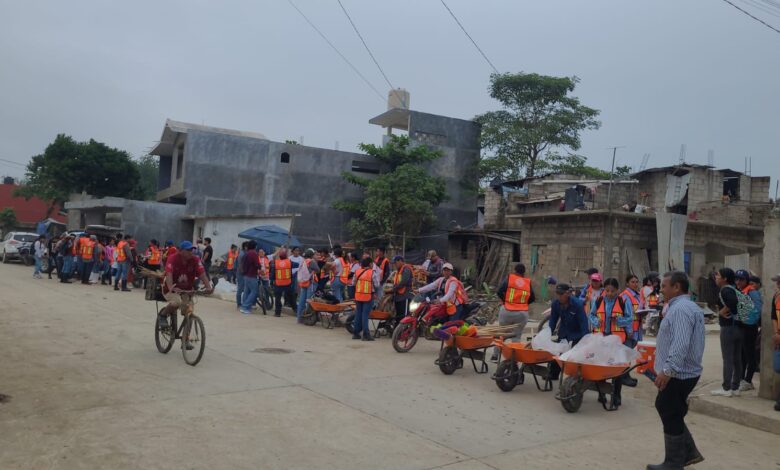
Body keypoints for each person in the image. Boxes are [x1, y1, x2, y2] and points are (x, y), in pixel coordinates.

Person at [647, 271, 705, 469]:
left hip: (679, 373)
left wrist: (667, 371)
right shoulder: (687, 307)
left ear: (677, 287)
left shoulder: (680, 310)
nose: (661, 290)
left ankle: (674, 462)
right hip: (684, 371)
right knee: (672, 410)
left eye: (664, 286)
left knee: (668, 409)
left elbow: (680, 345)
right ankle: (688, 452)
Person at [158, 241, 213, 350]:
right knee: (176, 302)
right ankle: (162, 315)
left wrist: (208, 287)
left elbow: (202, 274)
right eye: (188, 250)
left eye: (191, 250)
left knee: (189, 311)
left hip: (186, 291)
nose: (190, 252)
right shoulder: (173, 258)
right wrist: (171, 287)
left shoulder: (195, 260)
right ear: (180, 251)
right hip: (171, 289)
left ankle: (185, 340)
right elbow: (169, 274)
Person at [589, 277, 633, 405]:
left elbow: (630, 318)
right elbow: (591, 315)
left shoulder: (623, 301)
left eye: (612, 291)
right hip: (601, 339)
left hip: (617, 341)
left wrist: (618, 320)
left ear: (617, 290)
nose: (609, 293)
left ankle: (616, 396)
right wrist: (596, 322)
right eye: (607, 290)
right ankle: (601, 393)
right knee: (600, 367)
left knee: (616, 369)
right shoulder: (598, 300)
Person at [490, 263, 535, 360]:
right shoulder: (527, 282)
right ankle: (513, 358)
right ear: (523, 272)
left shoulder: (510, 278)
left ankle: (495, 355)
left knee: (501, 333)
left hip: (507, 311)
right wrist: (523, 304)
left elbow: (499, 291)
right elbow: (533, 298)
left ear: (515, 270)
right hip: (522, 313)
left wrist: (505, 301)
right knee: (516, 336)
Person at [711, 267, 745, 397]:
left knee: (728, 359)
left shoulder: (725, 290)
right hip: (739, 327)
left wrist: (722, 311)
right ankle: (735, 387)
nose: (716, 277)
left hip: (728, 328)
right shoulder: (736, 289)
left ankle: (726, 388)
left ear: (725, 279)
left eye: (718, 275)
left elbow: (733, 303)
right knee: (737, 359)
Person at [547, 283, 589, 378]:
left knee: (573, 358)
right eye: (557, 294)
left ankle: (575, 377)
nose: (559, 296)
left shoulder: (577, 304)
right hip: (564, 332)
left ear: (568, 293)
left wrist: (585, 340)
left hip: (577, 334)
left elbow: (583, 323)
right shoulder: (555, 304)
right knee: (557, 353)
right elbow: (553, 320)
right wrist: (547, 333)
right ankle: (553, 374)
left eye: (561, 294)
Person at [736, 270, 762, 392]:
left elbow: (757, 310)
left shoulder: (752, 292)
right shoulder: (741, 291)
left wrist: (747, 320)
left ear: (746, 280)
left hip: (749, 328)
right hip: (742, 327)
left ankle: (748, 380)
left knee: (749, 355)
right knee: (742, 355)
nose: (738, 282)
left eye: (741, 279)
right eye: (737, 279)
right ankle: (741, 379)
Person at [352, 256, 381, 341]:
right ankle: (366, 335)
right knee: (365, 315)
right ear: (370, 264)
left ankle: (355, 333)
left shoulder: (357, 271)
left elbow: (353, 283)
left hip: (358, 296)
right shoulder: (372, 273)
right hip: (368, 296)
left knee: (358, 314)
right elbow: (377, 285)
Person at [621, 274, 643, 386]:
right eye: (632, 282)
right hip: (629, 331)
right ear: (627, 283)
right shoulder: (626, 296)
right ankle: (623, 377)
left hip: (636, 329)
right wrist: (628, 330)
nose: (635, 284)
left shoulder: (637, 295)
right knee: (625, 354)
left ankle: (626, 375)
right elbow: (627, 315)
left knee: (628, 354)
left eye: (636, 282)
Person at [270, 249, 296, 317]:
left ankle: (277, 313)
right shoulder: (289, 262)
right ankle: (296, 310)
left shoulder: (275, 263)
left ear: (279, 256)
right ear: (286, 256)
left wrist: (272, 282)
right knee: (291, 297)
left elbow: (272, 274)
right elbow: (297, 264)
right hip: (287, 283)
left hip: (278, 284)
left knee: (278, 298)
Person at [296, 249, 319, 323]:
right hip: (311, 283)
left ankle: (299, 319)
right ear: (312, 255)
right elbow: (318, 270)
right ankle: (308, 318)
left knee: (301, 301)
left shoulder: (302, 261)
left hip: (303, 283)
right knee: (309, 301)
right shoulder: (311, 261)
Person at [391, 255, 414, 323]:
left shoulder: (406, 269)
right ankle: (397, 328)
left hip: (405, 296)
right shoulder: (398, 270)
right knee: (398, 315)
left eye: (396, 263)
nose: (395, 265)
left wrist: (393, 289)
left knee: (404, 315)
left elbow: (403, 281)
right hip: (398, 297)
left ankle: (403, 328)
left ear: (400, 261)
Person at [239, 241, 260, 315]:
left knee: (246, 291)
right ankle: (245, 307)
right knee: (254, 291)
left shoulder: (246, 253)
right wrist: (260, 268)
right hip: (252, 275)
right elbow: (257, 264)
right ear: (255, 246)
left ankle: (243, 307)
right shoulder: (253, 253)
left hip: (246, 274)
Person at [771, 273, 780, 412]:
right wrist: (776, 333)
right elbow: (774, 316)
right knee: (778, 367)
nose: (777, 284)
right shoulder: (776, 297)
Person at [235, 242, 248, 310]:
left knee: (244, 289)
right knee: (240, 289)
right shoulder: (242, 254)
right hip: (241, 274)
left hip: (243, 273)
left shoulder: (244, 253)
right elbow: (240, 264)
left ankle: (243, 303)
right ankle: (239, 304)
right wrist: (243, 272)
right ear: (245, 247)